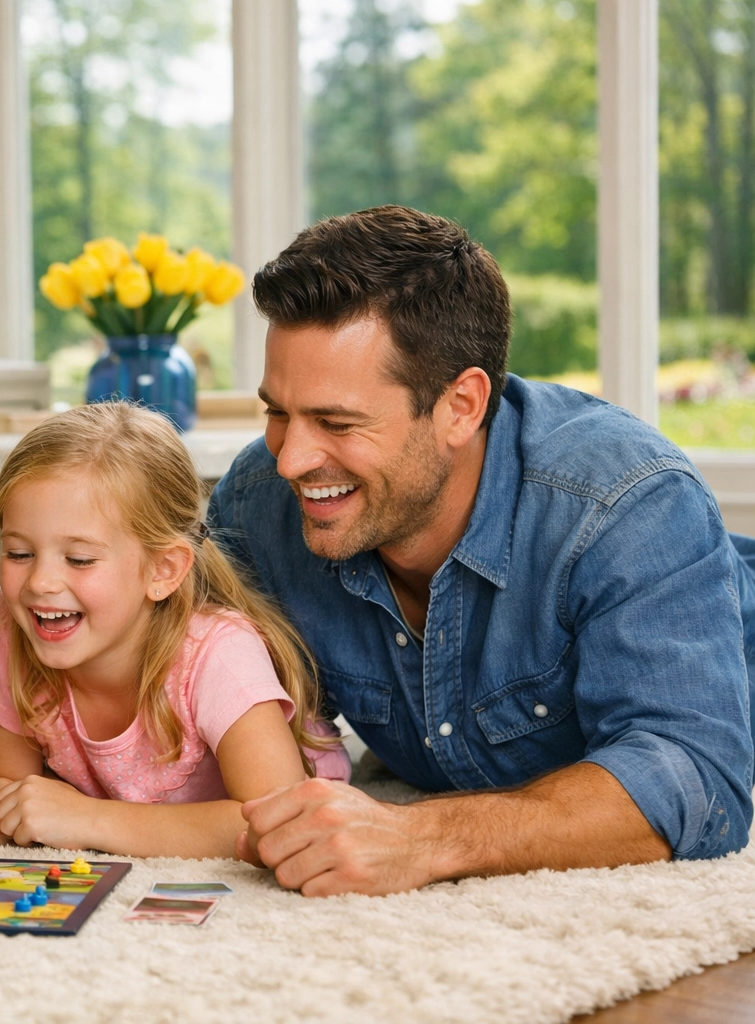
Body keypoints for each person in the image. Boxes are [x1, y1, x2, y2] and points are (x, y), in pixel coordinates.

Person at [208, 205, 755, 896]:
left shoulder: (627, 502)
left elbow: (697, 778)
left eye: (336, 422)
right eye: (277, 412)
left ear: (461, 407)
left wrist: (423, 837)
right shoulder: (256, 505)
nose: (290, 459)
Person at [0, 403, 350, 859]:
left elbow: (278, 821)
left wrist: (89, 820)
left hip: (298, 783)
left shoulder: (219, 653)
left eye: (80, 559)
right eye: (19, 554)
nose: (40, 583)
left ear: (163, 570)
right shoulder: (5, 622)